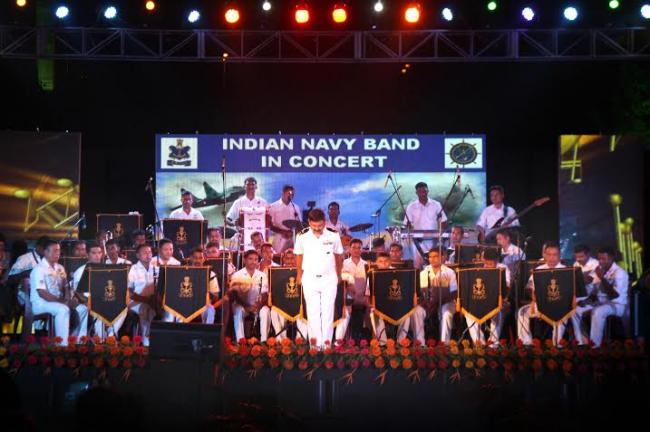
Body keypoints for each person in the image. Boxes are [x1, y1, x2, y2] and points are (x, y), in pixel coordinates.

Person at [294, 208, 344, 348]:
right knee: (312, 312)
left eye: (320, 225)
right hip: (310, 278)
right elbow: (299, 255)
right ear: (309, 222)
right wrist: (299, 274)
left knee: (328, 312)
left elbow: (338, 255)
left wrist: (339, 274)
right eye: (314, 226)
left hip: (329, 278)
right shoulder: (302, 236)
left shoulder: (333, 235)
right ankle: (315, 346)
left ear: (324, 222)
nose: (317, 228)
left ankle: (326, 346)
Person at [30, 240, 88, 346]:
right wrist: (64, 302)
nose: (58, 253)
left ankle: (76, 341)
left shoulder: (60, 268)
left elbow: (66, 287)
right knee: (63, 309)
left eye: (59, 250)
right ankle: (62, 345)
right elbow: (42, 293)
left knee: (82, 309)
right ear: (46, 252)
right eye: (55, 251)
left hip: (58, 301)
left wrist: (70, 300)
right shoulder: (39, 269)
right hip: (41, 303)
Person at [571, 247, 629, 347]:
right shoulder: (599, 270)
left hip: (616, 305)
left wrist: (602, 277)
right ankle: (581, 343)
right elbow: (595, 294)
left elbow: (614, 295)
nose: (600, 261)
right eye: (599, 259)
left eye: (603, 259)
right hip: (600, 302)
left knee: (598, 311)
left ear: (611, 258)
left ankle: (594, 345)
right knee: (575, 310)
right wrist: (585, 301)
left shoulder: (620, 273)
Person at [517, 242, 567, 345]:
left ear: (559, 256)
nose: (552, 258)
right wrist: (534, 299)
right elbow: (530, 288)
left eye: (555, 255)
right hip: (540, 304)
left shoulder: (566, 270)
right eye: (549, 254)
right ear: (545, 255)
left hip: (559, 305)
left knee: (563, 314)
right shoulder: (538, 270)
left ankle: (557, 344)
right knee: (522, 312)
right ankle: (526, 343)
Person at [464, 248, 511, 347]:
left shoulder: (503, 268)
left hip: (497, 301)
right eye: (486, 263)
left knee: (498, 313)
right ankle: (479, 344)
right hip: (481, 301)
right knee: (469, 315)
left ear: (496, 261)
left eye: (491, 263)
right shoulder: (479, 269)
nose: (488, 266)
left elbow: (506, 287)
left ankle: (493, 344)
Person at [72, 243, 117, 340]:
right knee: (91, 309)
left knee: (118, 309)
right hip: (83, 303)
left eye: (99, 253)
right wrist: (90, 302)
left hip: (102, 301)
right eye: (94, 253)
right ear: (87, 255)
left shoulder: (105, 270)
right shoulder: (80, 271)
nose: (97, 256)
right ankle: (81, 340)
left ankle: (110, 338)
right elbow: (78, 293)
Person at [412, 249, 457, 345]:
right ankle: (420, 343)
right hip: (427, 303)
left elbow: (454, 292)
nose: (432, 259)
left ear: (442, 257)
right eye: (430, 257)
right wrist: (426, 302)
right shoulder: (423, 273)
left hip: (446, 302)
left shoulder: (449, 272)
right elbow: (420, 292)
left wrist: (439, 300)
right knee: (416, 312)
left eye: (435, 256)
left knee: (446, 314)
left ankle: (444, 344)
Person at [229, 250, 270, 343]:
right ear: (244, 260)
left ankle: (264, 342)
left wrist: (259, 305)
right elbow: (235, 295)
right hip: (243, 305)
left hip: (258, 306)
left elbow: (265, 294)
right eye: (250, 259)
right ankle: (241, 342)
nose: (253, 262)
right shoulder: (237, 275)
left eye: (256, 259)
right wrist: (247, 306)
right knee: (238, 310)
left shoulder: (263, 275)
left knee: (266, 311)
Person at [404, 182, 447, 268]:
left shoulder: (436, 204)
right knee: (417, 264)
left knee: (434, 263)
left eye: (424, 191)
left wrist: (440, 235)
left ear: (428, 191)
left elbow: (444, 221)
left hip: (434, 240)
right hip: (417, 241)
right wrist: (409, 228)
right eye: (420, 192)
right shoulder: (411, 206)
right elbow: (406, 224)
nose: (423, 194)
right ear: (416, 193)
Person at [334, 239, 368, 341]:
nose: (356, 250)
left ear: (362, 250)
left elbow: (369, 283)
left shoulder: (367, 265)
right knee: (346, 309)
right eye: (354, 248)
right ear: (349, 249)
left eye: (359, 248)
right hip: (346, 297)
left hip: (362, 297)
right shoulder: (343, 264)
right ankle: (340, 340)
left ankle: (358, 339)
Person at [127, 244, 157, 346]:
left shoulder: (155, 268)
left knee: (152, 309)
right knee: (145, 308)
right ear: (138, 255)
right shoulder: (134, 269)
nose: (148, 255)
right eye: (144, 253)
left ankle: (151, 336)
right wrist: (145, 300)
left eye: (149, 252)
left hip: (153, 301)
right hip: (136, 301)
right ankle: (146, 341)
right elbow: (130, 291)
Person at [186, 247, 221, 325]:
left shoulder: (211, 274)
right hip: (186, 303)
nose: (198, 260)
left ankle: (207, 332)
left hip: (204, 305)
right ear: (190, 258)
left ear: (204, 259)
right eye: (195, 258)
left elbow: (216, 296)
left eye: (200, 258)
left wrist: (203, 291)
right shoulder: (184, 272)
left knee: (210, 310)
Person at [268, 185, 302, 253]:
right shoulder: (273, 206)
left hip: (293, 238)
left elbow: (299, 224)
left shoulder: (296, 207)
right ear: (283, 193)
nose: (290, 196)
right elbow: (270, 225)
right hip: (279, 238)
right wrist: (283, 232)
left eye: (292, 194)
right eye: (288, 193)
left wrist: (293, 233)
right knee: (278, 256)